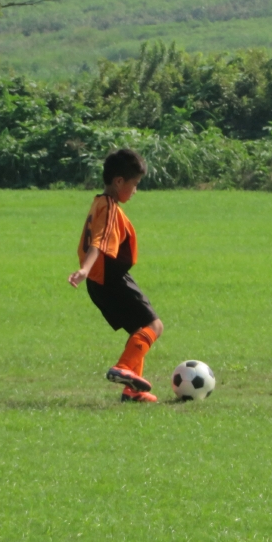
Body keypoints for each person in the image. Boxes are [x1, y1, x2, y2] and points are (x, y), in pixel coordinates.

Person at [69, 148, 165, 401]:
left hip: (100, 281)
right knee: (154, 326)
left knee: (138, 329)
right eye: (135, 184)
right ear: (119, 181)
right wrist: (85, 269)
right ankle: (122, 368)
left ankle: (132, 392)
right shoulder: (110, 208)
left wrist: (87, 272)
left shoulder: (98, 201)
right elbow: (99, 243)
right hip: (110, 279)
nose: (135, 190)